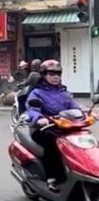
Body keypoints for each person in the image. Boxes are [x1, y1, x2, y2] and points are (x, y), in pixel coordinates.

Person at [26, 59, 79, 192]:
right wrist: (38, 118)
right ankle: (52, 178)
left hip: (63, 127)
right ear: (44, 75)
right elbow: (32, 109)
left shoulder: (63, 92)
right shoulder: (37, 93)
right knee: (52, 145)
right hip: (43, 128)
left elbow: (74, 107)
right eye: (51, 74)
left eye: (58, 74)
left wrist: (87, 114)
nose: (56, 77)